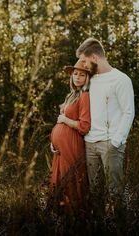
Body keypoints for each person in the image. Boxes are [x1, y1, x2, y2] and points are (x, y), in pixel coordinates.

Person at [76, 38, 135, 220]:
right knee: (95, 193)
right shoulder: (90, 80)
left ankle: (122, 226)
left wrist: (116, 142)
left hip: (111, 144)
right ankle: (100, 226)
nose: (82, 66)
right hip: (90, 144)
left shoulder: (121, 79)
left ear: (94, 57)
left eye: (85, 61)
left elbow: (128, 112)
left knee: (115, 192)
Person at [48, 59, 91, 217]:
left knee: (70, 181)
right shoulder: (72, 95)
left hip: (72, 145)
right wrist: (53, 142)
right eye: (75, 74)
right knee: (59, 181)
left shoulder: (85, 96)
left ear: (87, 78)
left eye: (82, 74)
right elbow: (61, 123)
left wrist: (65, 120)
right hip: (60, 148)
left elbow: (84, 126)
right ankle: (60, 220)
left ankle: (75, 219)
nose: (77, 77)